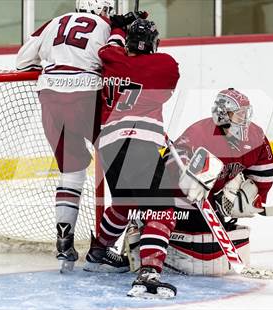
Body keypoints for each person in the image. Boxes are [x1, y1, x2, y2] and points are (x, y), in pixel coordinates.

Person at [127, 88, 273, 276]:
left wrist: (255, 197)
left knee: (207, 233)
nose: (244, 119)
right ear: (223, 114)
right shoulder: (201, 131)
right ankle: (142, 222)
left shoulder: (255, 135)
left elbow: (265, 169)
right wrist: (189, 174)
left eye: (245, 113)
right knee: (174, 220)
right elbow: (172, 159)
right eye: (238, 114)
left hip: (208, 203)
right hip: (177, 200)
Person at [82, 18, 180, 299]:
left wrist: (116, 27)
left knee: (125, 202)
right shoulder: (165, 64)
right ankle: (149, 274)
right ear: (152, 44)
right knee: (162, 208)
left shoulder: (111, 59)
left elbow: (111, 47)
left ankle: (98, 252)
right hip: (141, 143)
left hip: (109, 145)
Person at [15, 0, 116, 272]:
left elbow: (22, 61)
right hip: (87, 96)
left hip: (50, 96)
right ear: (102, 9)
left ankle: (64, 241)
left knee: (71, 169)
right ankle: (113, 244)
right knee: (119, 162)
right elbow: (115, 62)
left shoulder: (54, 23)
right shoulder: (107, 26)